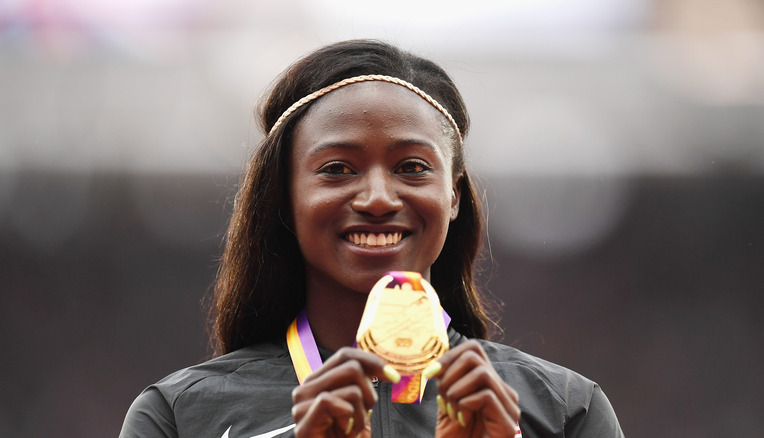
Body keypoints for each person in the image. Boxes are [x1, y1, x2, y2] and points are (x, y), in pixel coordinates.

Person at [119, 39, 624, 438]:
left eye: (412, 167)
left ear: (453, 195)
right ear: (283, 198)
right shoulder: (180, 417)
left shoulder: (562, 411)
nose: (379, 197)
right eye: (337, 169)